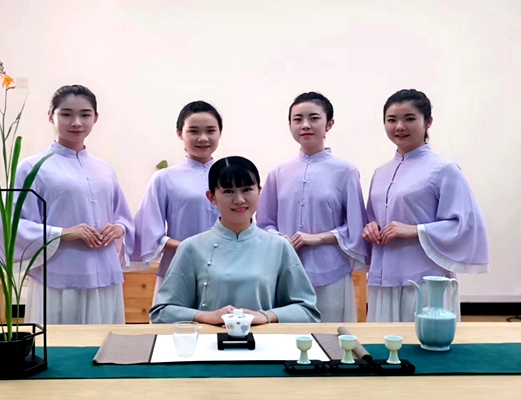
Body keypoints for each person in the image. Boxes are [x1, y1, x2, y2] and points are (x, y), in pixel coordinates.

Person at [0, 84, 135, 324]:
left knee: (106, 338)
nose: (76, 122)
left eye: (85, 115)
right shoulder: (32, 168)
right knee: (61, 341)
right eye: (67, 114)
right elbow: (12, 224)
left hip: (105, 272)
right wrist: (63, 233)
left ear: (96, 118)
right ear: (51, 116)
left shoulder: (105, 169)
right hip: (59, 274)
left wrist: (119, 228)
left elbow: (122, 216)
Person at [363, 89, 489, 322]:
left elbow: (464, 225)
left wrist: (415, 230)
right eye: (392, 120)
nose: (399, 126)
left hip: (424, 279)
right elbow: (372, 217)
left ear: (428, 121)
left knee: (424, 341)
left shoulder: (444, 169)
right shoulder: (381, 172)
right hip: (382, 277)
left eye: (409, 118)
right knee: (381, 340)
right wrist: (370, 226)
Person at [150, 156, 321, 324]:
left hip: (265, 341)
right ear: (211, 197)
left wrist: (266, 316)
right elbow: (162, 312)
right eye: (228, 191)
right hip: (208, 341)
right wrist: (205, 316)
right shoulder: (191, 247)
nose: (239, 200)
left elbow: (307, 310)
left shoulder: (279, 246)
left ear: (259, 192)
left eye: (247, 189)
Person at [257, 92, 369, 322]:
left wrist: (318, 238)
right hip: (285, 270)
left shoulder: (345, 171)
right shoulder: (278, 173)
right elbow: (264, 223)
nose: (305, 125)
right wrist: (279, 238)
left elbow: (356, 226)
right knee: (288, 334)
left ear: (329, 124)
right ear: (290, 125)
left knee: (330, 334)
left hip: (331, 272)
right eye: (298, 119)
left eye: (314, 118)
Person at [133, 101, 222, 298]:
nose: (203, 138)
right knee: (176, 317)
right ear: (180, 133)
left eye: (210, 131)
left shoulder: (230, 176)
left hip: (226, 269)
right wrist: (189, 247)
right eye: (193, 131)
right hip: (179, 269)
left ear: (220, 133)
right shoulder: (164, 178)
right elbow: (148, 231)